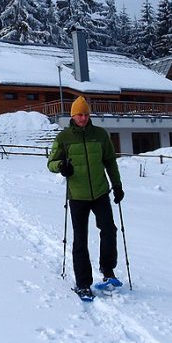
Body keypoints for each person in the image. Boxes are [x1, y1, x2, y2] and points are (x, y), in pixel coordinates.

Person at [47, 96, 124, 301]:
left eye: (86, 114)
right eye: (79, 114)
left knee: (109, 230)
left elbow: (110, 162)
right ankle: (83, 283)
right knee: (80, 239)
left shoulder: (100, 135)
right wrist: (61, 167)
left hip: (100, 192)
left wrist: (117, 185)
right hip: (78, 196)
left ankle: (108, 271)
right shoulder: (64, 138)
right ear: (73, 115)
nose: (83, 118)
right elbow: (51, 162)